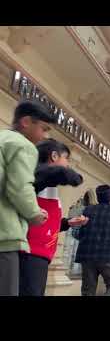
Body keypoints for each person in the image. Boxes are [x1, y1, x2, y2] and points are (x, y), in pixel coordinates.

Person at [19, 138, 87, 296]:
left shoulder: (51, 187)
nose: (68, 164)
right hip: (30, 254)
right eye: (66, 159)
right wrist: (62, 173)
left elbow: (46, 220)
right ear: (54, 156)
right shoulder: (37, 179)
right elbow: (41, 178)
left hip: (41, 255)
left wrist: (68, 223)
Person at [0, 102, 52, 296]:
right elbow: (20, 187)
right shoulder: (23, 145)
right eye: (43, 129)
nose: (45, 136)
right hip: (4, 236)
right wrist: (34, 214)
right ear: (26, 122)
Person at [74, 184, 110, 296]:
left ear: (97, 197)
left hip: (87, 256)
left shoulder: (85, 211)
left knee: (88, 290)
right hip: (109, 257)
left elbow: (76, 233)